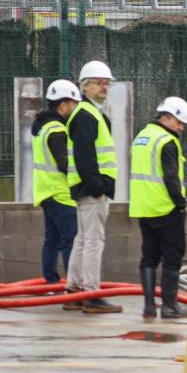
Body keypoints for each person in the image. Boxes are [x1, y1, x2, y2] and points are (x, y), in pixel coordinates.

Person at [64, 60, 122, 314]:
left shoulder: (89, 114)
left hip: (87, 188)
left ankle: (73, 291)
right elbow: (85, 156)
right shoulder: (87, 115)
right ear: (84, 87)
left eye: (107, 83)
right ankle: (91, 294)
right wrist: (97, 186)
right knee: (93, 241)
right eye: (99, 83)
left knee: (83, 239)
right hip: (92, 190)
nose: (104, 87)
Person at [129, 97, 187, 320]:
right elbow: (171, 177)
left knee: (149, 257)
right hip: (165, 208)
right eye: (179, 122)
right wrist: (180, 203)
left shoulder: (142, 137)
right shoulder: (167, 141)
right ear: (166, 118)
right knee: (172, 257)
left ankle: (148, 307)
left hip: (142, 207)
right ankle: (169, 307)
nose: (181, 128)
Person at [31, 80, 82, 287]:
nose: (75, 108)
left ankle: (51, 282)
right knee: (70, 241)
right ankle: (74, 284)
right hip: (61, 193)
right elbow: (63, 163)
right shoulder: (57, 129)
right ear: (63, 105)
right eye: (73, 103)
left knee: (51, 240)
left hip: (45, 192)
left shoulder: (41, 127)